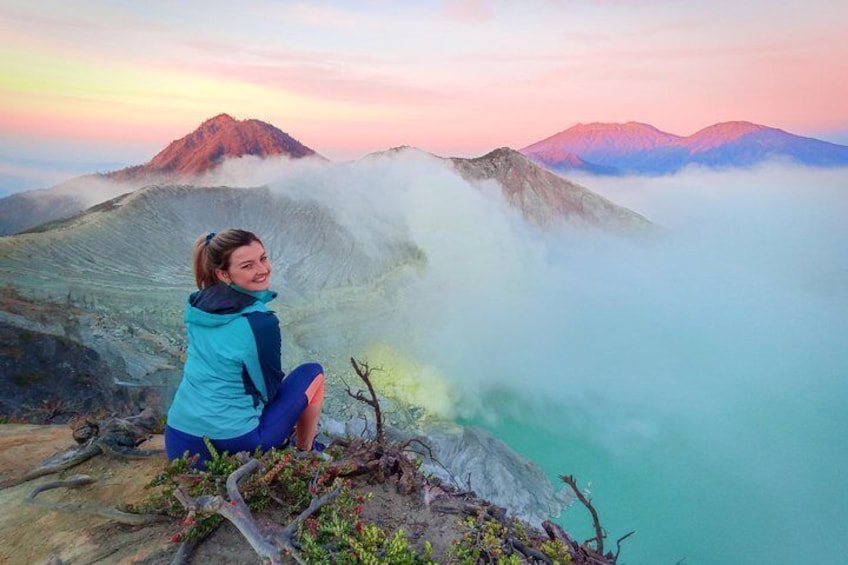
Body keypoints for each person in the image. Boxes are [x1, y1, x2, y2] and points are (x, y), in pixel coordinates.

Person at [165, 229, 325, 466]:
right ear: (224, 274)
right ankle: (305, 450)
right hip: (234, 443)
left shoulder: (197, 305)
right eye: (248, 265)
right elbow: (268, 391)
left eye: (263, 258)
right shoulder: (259, 323)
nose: (262, 269)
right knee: (313, 373)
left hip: (179, 442)